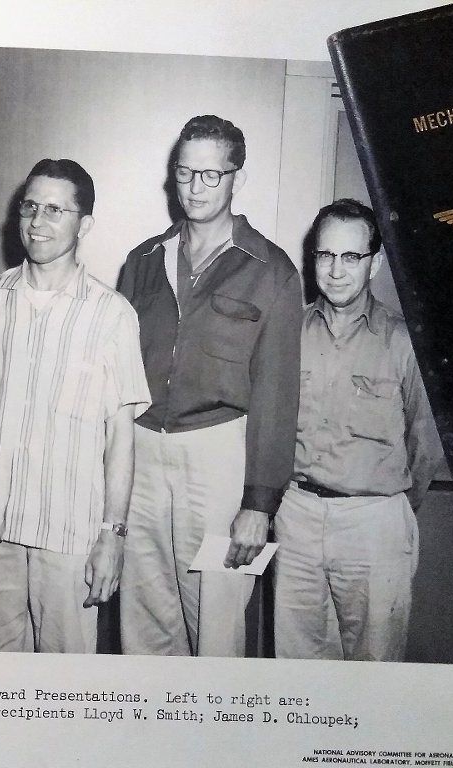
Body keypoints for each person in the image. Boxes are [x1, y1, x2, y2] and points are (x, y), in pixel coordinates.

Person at [0, 159, 151, 653]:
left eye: (55, 209)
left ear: (84, 224)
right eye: (30, 207)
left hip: (69, 530)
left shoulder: (112, 314)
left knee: (65, 686)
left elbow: (121, 438)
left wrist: (112, 535)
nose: (38, 221)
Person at [117, 115, 303, 657]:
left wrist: (260, 504)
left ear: (235, 179)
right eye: (184, 174)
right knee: (144, 620)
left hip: (221, 455)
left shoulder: (271, 270)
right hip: (143, 451)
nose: (195, 189)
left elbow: (277, 394)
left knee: (217, 623)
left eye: (210, 176)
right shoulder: (143, 260)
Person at [274, 198, 443, 662]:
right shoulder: (287, 333)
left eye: (351, 256)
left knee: (375, 669)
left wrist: (387, 509)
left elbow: (425, 443)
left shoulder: (404, 341)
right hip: (298, 517)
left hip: (375, 522)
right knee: (299, 671)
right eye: (325, 255)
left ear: (374, 263)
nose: (336, 270)